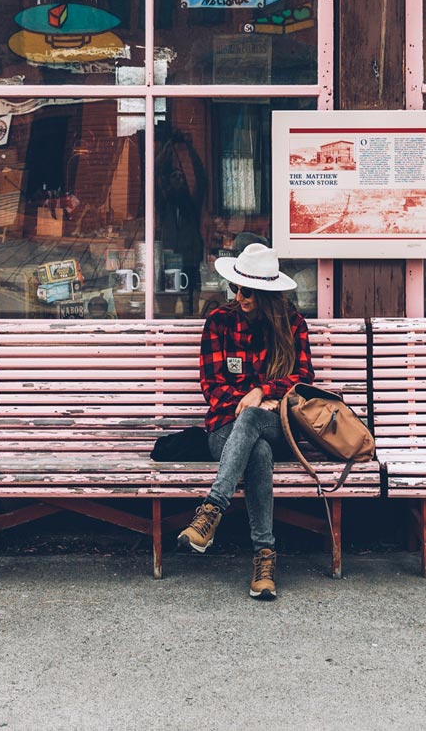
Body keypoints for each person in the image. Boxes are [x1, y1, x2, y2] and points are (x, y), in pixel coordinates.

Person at [175, 241, 311, 600]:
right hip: (224, 427)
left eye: (248, 290)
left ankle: (211, 511)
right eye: (236, 287)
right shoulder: (219, 322)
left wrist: (264, 391)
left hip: (279, 424)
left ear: (267, 293)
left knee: (256, 425)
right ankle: (264, 560)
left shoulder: (293, 325)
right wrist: (250, 402)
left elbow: (304, 380)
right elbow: (212, 387)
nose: (240, 295)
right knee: (258, 453)